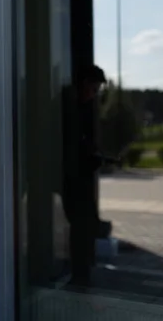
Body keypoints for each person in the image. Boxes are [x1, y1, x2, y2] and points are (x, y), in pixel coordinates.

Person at [62, 64, 110, 286]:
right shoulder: (70, 109)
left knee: (84, 225)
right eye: (94, 88)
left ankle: (82, 272)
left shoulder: (86, 109)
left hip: (82, 177)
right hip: (73, 178)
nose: (95, 93)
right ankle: (79, 273)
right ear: (84, 84)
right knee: (79, 226)